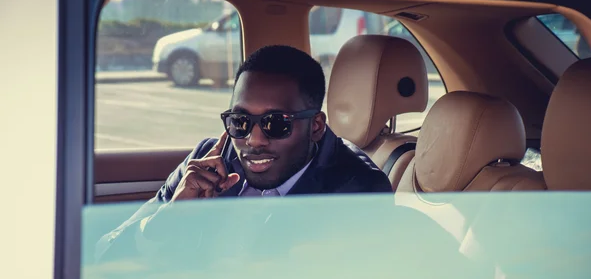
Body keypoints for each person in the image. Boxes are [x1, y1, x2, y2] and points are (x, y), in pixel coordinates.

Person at [95, 45, 392, 261]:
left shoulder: (357, 192)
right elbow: (103, 256)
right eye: (240, 122)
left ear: (315, 126)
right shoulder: (207, 162)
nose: (254, 139)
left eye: (276, 124)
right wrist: (166, 220)